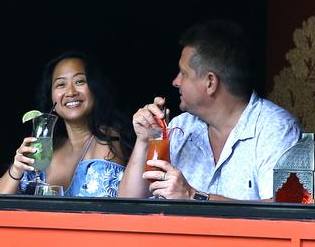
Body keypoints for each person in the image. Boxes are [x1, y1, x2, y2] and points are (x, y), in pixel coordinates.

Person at [120, 20, 300, 201]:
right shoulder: (180, 127)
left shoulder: (275, 130)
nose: (176, 81)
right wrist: (145, 140)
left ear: (210, 82)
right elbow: (128, 202)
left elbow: (283, 212)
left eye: (184, 73)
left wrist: (193, 196)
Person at [0, 52, 134, 197]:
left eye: (80, 82)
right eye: (60, 84)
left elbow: (97, 208)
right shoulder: (47, 149)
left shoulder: (108, 140)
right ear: (51, 97)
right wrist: (17, 169)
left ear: (95, 88)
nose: (70, 92)